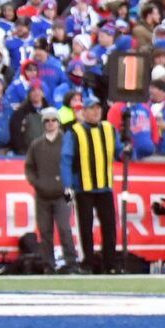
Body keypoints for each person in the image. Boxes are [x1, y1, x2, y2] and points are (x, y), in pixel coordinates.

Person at [63, 95, 120, 274]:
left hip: (105, 186)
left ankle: (110, 263)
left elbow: (118, 150)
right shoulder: (75, 132)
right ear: (84, 112)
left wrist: (127, 149)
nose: (96, 111)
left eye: (98, 108)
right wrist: (68, 185)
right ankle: (87, 262)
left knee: (110, 226)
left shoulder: (109, 129)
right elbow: (66, 158)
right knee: (85, 227)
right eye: (92, 108)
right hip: (84, 187)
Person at [24, 107, 82, 272]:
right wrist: (36, 182)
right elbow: (29, 167)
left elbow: (75, 164)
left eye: (53, 120)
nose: (50, 123)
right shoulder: (36, 144)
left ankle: (71, 262)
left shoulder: (67, 141)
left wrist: (70, 185)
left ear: (58, 122)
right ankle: (48, 264)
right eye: (47, 120)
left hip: (64, 193)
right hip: (42, 194)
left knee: (65, 228)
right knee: (45, 231)